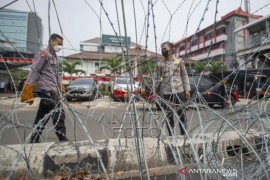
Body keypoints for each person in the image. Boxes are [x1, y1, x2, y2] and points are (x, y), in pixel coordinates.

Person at [21, 33, 68, 143]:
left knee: (43, 115)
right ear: (52, 41)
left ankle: (34, 138)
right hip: (45, 89)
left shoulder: (55, 57)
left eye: (61, 44)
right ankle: (62, 138)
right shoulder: (43, 54)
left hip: (53, 89)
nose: (60, 46)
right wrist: (28, 87)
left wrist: (60, 84)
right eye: (59, 43)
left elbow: (56, 74)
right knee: (59, 113)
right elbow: (34, 70)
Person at [155, 41, 191, 136]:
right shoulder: (160, 64)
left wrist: (187, 90)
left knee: (182, 115)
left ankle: (183, 135)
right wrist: (155, 90)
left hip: (179, 91)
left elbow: (184, 76)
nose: (163, 51)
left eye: (165, 49)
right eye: (162, 49)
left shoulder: (179, 62)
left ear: (171, 50)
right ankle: (171, 136)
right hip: (166, 93)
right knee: (169, 116)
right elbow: (157, 78)